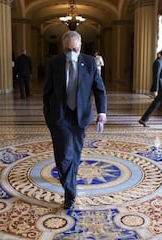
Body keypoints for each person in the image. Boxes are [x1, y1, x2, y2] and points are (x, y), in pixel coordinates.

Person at [43, 31, 107, 209]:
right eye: (67, 49)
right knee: (64, 155)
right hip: (60, 116)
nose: (71, 52)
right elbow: (47, 93)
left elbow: (99, 89)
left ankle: (69, 183)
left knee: (75, 154)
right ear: (63, 48)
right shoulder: (54, 63)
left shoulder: (90, 63)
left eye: (75, 49)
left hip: (81, 116)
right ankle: (70, 192)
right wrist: (48, 117)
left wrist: (102, 112)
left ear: (80, 47)